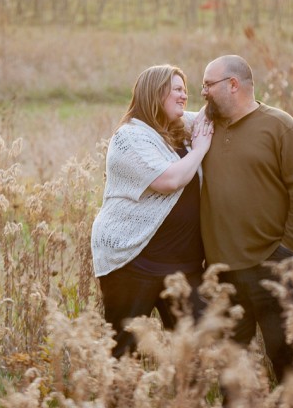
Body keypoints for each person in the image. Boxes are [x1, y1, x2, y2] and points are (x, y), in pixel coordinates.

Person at [199, 53, 293, 383]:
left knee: (286, 356)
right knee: (230, 365)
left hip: (271, 267)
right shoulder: (205, 130)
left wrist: (284, 249)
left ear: (233, 85)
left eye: (208, 85)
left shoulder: (281, 127)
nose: (203, 92)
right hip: (222, 272)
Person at [91, 63, 213, 357]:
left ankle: (187, 402)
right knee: (124, 351)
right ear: (155, 94)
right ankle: (119, 403)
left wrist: (224, 94)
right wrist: (199, 150)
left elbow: (214, 116)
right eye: (177, 90)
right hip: (134, 261)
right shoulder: (129, 138)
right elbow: (169, 180)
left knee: (197, 348)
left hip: (183, 265)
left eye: (186, 89)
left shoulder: (180, 129)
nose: (185, 96)